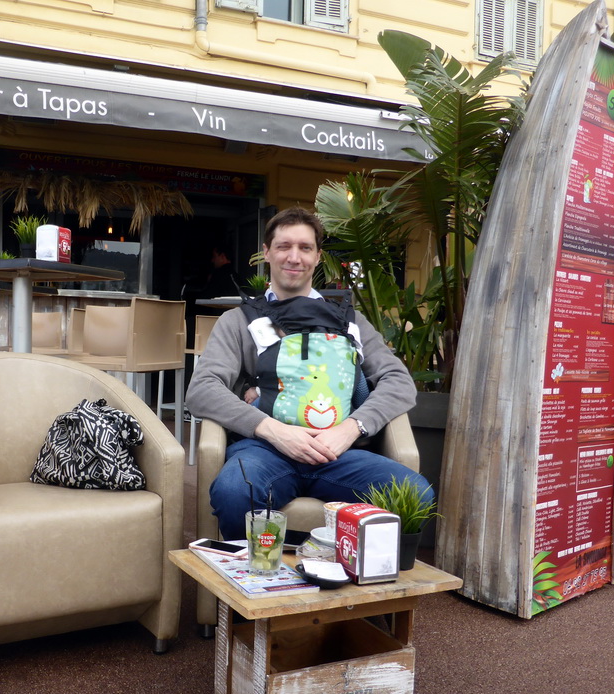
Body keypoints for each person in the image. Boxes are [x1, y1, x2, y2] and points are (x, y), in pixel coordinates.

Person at [185, 207, 432, 539]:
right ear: (267, 253)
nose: (294, 257)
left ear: (317, 257)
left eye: (304, 248)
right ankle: (255, 579)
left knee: (416, 494)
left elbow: (399, 381)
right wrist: (273, 431)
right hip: (265, 452)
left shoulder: (350, 322)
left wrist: (350, 429)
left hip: (340, 454)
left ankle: (338, 570)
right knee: (233, 492)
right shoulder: (239, 321)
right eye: (284, 246)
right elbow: (201, 389)